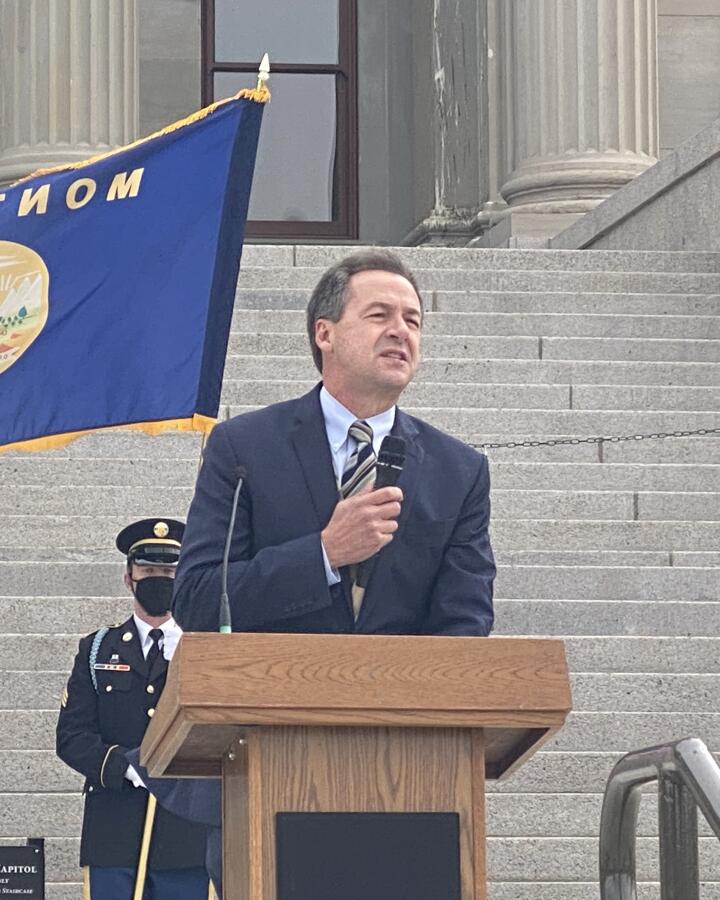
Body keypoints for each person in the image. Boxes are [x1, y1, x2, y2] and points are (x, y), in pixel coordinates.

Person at [175, 248, 495, 635]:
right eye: (379, 315)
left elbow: (466, 623)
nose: (400, 331)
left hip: (402, 691)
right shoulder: (243, 448)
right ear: (325, 334)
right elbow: (197, 599)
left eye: (412, 321)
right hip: (272, 689)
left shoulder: (458, 470)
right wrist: (325, 553)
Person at [56, 518, 211, 899]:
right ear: (129, 578)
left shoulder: (206, 648)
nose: (158, 578)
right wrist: (124, 766)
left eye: (168, 570)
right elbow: (72, 736)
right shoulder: (97, 649)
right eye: (147, 570)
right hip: (114, 829)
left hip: (186, 830)